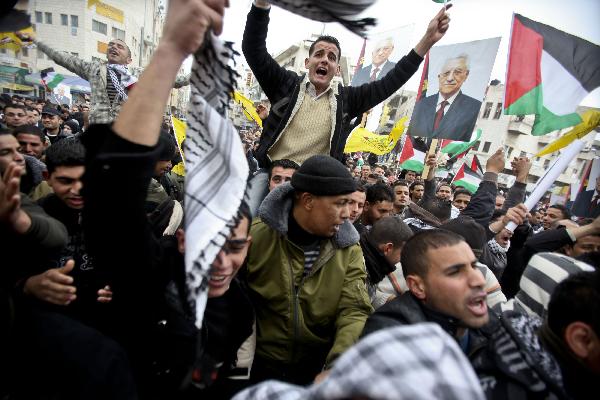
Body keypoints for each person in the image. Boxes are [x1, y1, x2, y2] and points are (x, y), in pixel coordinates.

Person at [362, 230, 569, 399]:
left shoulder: (494, 325)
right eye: (454, 272)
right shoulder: (390, 337)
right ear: (417, 286)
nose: (478, 280)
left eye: (474, 266)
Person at [242, 0, 450, 167]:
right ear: (307, 62)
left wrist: (427, 41)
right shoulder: (285, 85)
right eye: (319, 54)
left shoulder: (348, 100)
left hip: (315, 187)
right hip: (272, 175)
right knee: (243, 216)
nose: (325, 59)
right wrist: (261, 4)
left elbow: (390, 82)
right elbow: (253, 49)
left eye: (332, 57)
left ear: (337, 69)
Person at [245, 155, 372, 385]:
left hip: (314, 373)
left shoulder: (348, 250)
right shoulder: (256, 237)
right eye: (340, 203)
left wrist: (338, 368)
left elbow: (354, 310)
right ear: (308, 200)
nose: (347, 214)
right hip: (256, 369)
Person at [17, 35, 188, 125]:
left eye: (120, 46)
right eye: (111, 45)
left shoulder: (139, 74)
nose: (113, 47)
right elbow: (61, 57)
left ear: (129, 59)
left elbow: (173, 79)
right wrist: (37, 41)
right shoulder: (94, 68)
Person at [407, 54, 482, 141]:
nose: (450, 78)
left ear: (466, 75)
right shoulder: (421, 105)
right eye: (446, 73)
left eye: (457, 72)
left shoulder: (474, 109)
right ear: (439, 77)